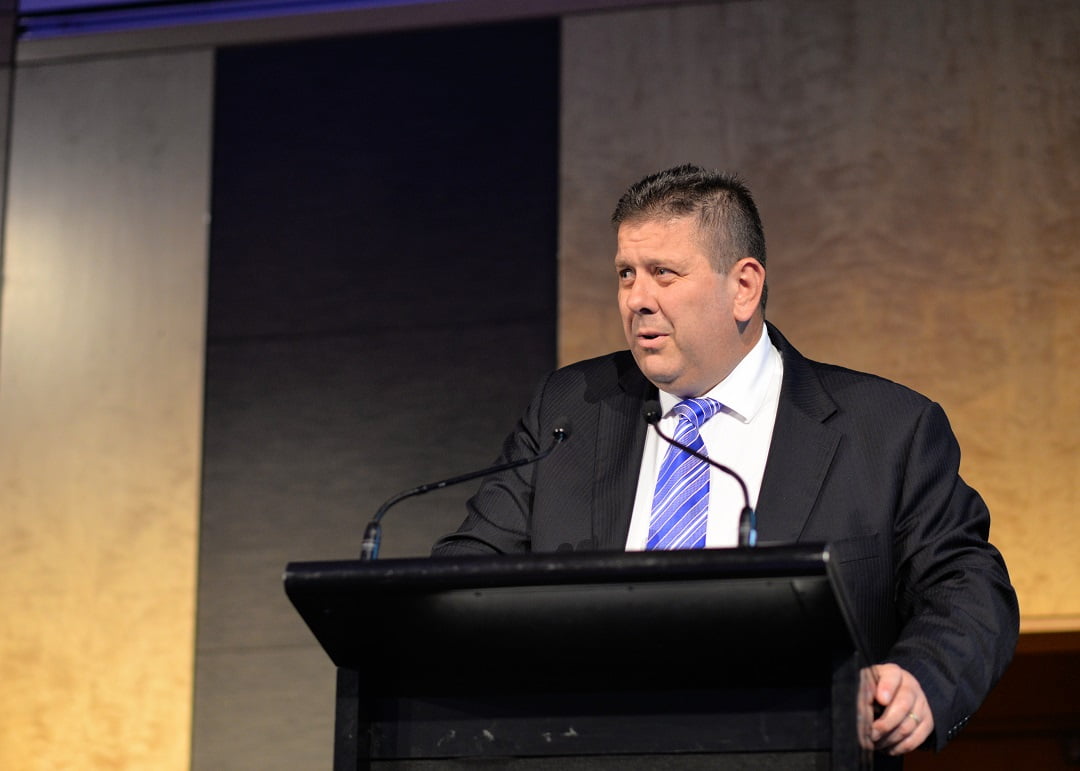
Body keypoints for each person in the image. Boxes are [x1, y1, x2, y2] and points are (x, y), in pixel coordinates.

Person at [432, 164, 1018, 758]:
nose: (637, 300)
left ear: (744, 286)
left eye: (663, 273)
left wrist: (920, 678)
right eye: (626, 274)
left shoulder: (886, 429)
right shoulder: (569, 409)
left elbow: (964, 584)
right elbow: (465, 570)